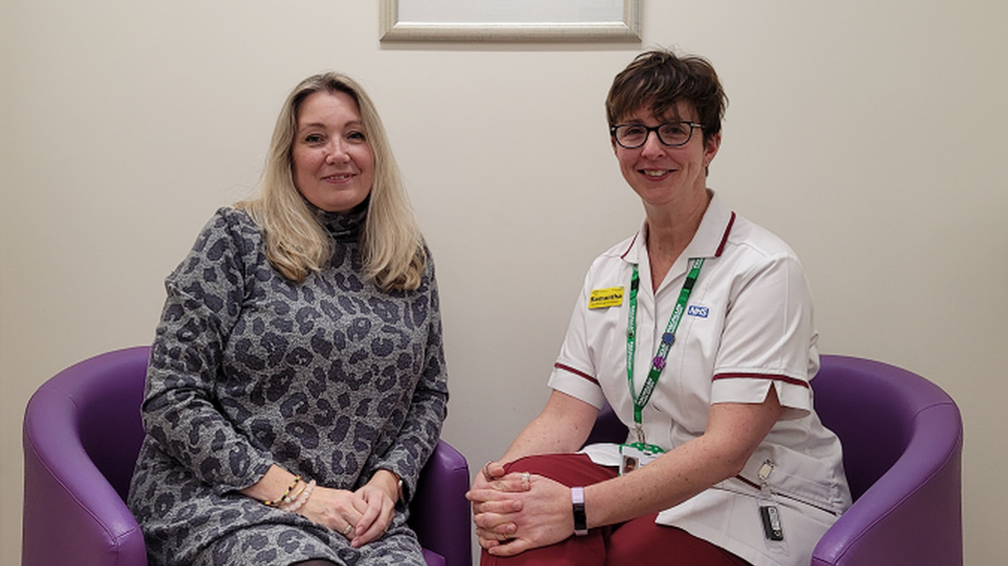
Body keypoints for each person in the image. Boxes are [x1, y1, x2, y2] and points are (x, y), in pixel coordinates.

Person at [467, 50, 851, 566]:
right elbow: (565, 414)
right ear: (615, 143)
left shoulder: (764, 270)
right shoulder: (609, 271)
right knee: (516, 524)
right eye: (634, 131)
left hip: (756, 487)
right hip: (639, 469)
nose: (651, 149)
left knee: (635, 552)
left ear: (710, 143)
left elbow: (726, 450)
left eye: (674, 130)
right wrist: (502, 481)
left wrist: (576, 509)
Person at [126, 72, 448, 566]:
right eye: (315, 138)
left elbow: (429, 394)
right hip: (225, 502)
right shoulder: (236, 238)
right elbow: (170, 397)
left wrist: (390, 480)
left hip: (354, 515)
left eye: (355, 135)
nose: (337, 152)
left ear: (375, 151)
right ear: (289, 157)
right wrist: (297, 495)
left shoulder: (407, 256)